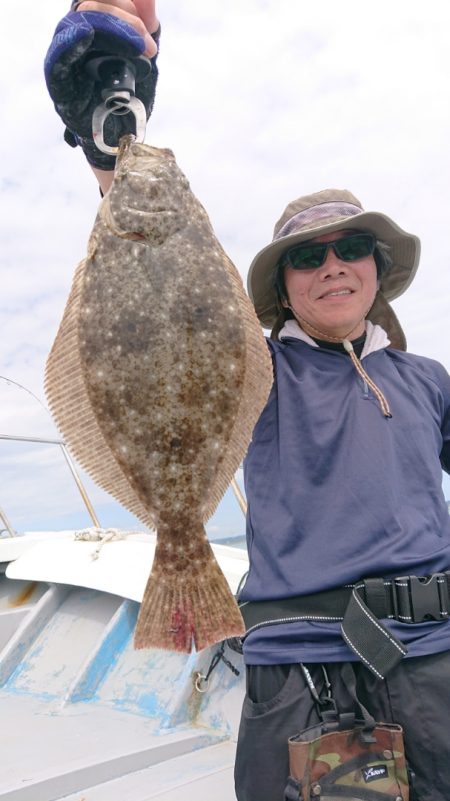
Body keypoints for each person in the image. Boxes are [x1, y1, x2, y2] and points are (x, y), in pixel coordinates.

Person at [45, 4, 450, 800]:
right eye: (307, 255)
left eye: (352, 247)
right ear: (283, 281)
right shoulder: (257, 371)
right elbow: (153, 302)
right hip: (306, 674)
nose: (332, 266)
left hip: (435, 658)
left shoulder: (427, 377)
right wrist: (106, 122)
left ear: (377, 265)